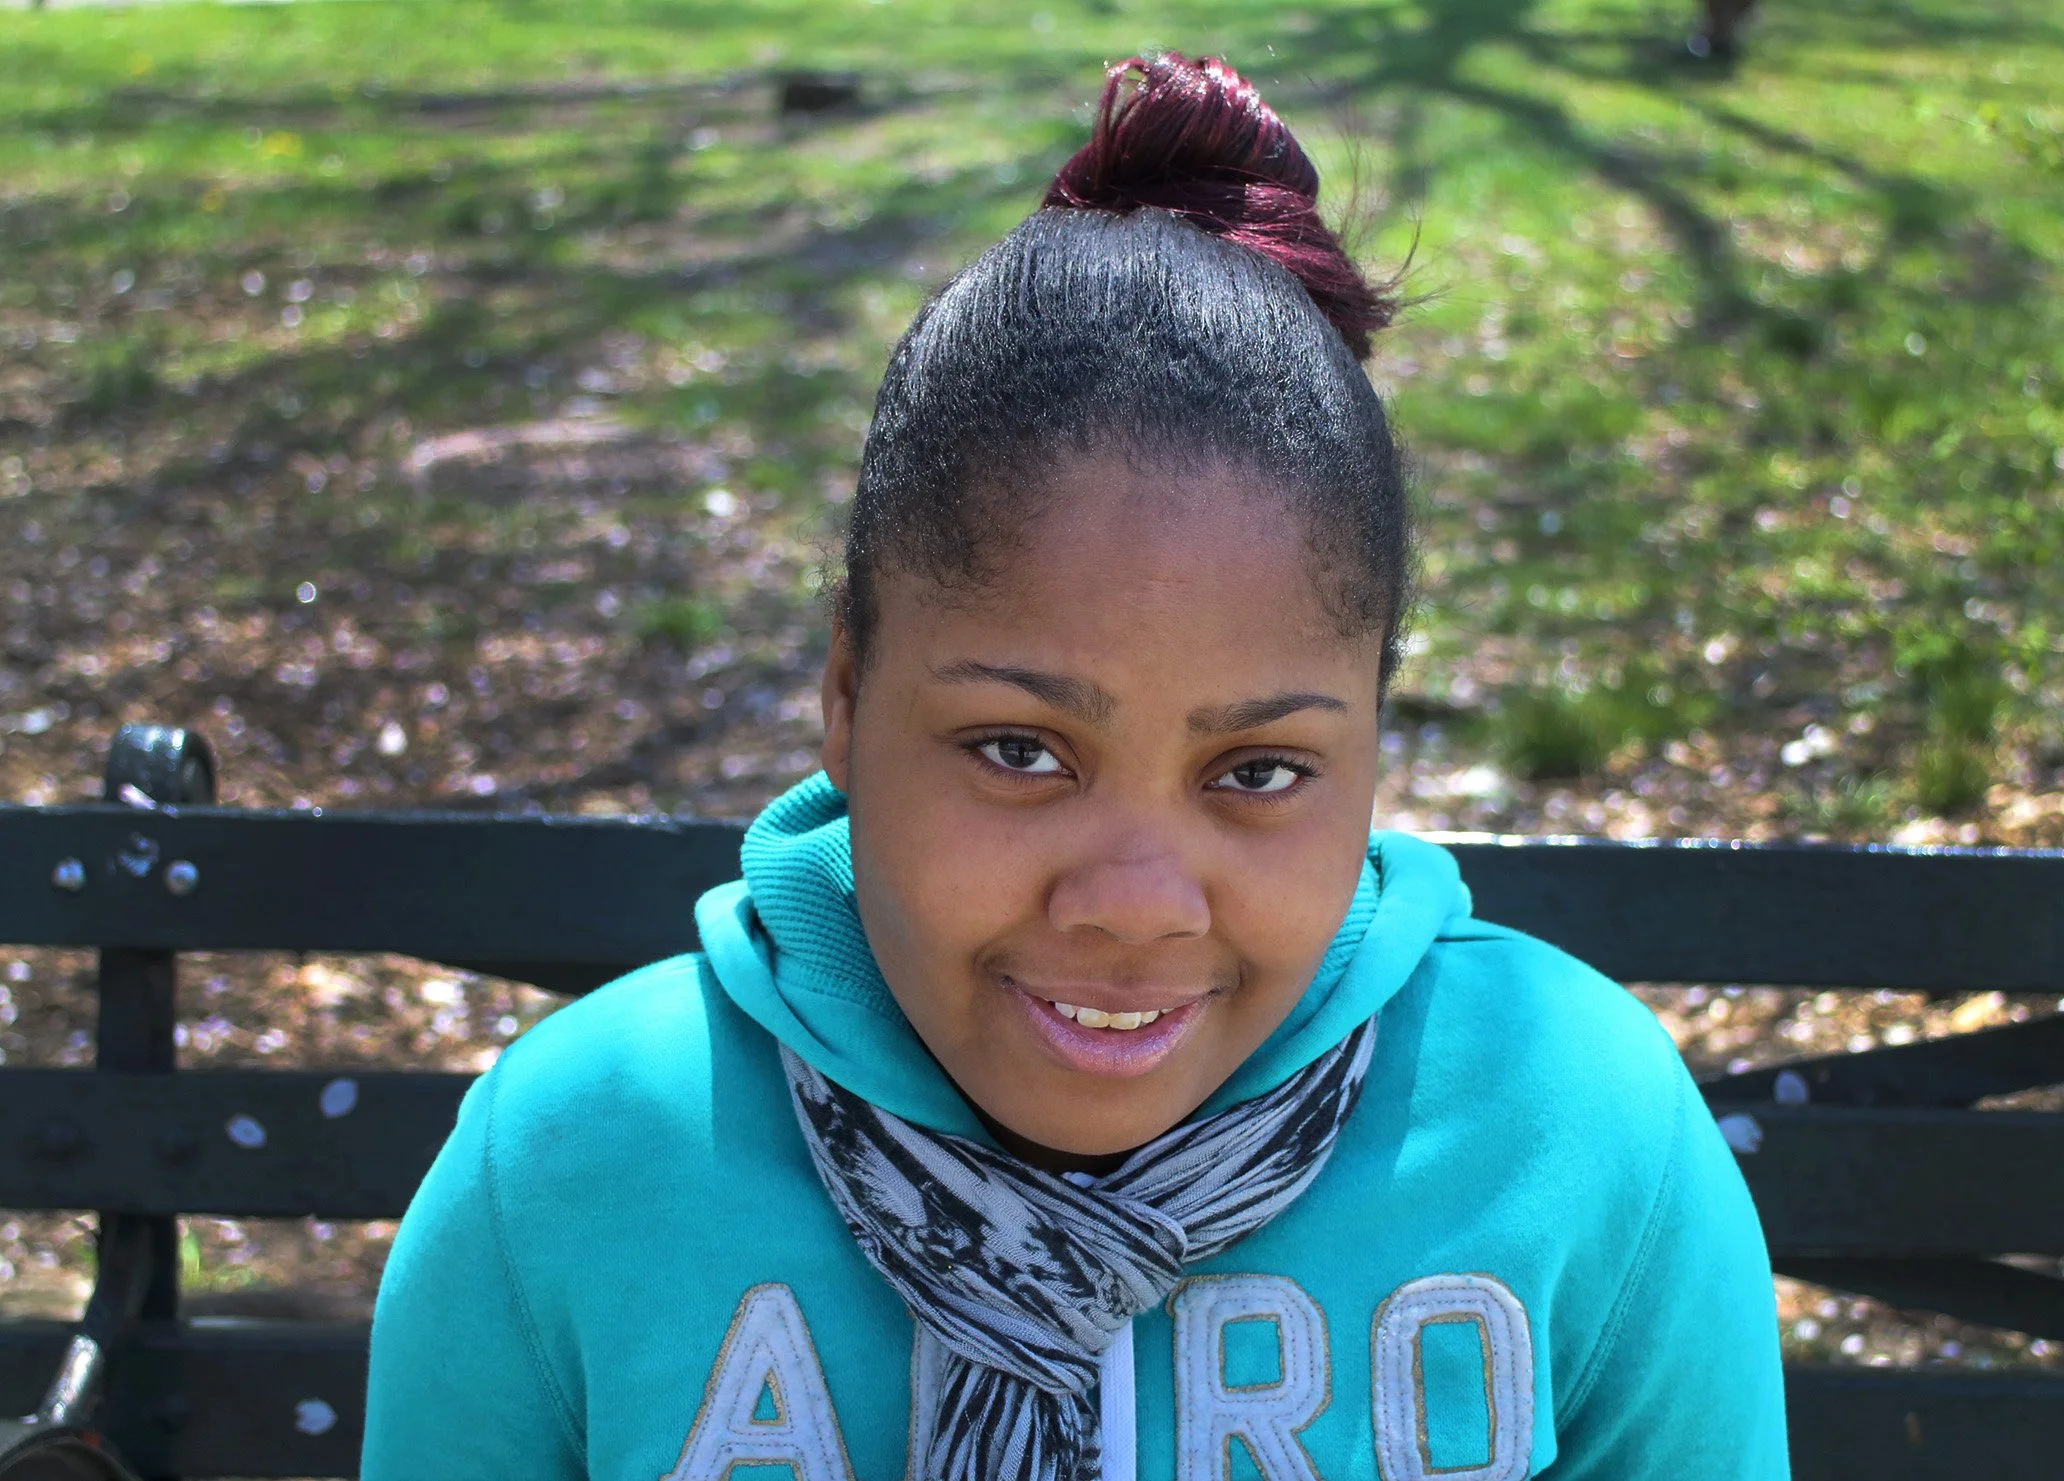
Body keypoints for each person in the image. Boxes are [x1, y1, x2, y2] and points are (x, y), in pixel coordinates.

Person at [362, 53, 1789, 1481]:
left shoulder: (1578, 1140)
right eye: (1019, 750)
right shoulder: (578, 1164)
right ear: (847, 702)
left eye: (1259, 771)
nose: (1136, 904)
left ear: (1373, 744)